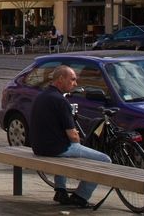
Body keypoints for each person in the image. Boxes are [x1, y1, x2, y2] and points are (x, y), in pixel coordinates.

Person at [29, 65, 110, 208]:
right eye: (72, 79)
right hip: (56, 149)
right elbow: (72, 135)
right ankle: (81, 196)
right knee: (105, 160)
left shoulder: (41, 96)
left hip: (39, 147)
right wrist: (77, 142)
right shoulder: (61, 101)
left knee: (65, 153)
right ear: (60, 79)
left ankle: (61, 190)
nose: (75, 84)